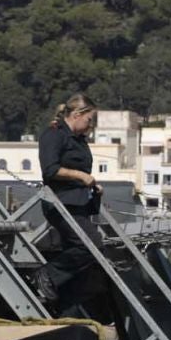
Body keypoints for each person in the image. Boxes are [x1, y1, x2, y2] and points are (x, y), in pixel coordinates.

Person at [35, 94, 117, 326]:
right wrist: (81, 176)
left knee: (86, 260)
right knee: (90, 246)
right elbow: (50, 170)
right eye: (89, 120)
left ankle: (65, 307)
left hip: (79, 204)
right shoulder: (54, 134)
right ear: (77, 114)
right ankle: (47, 275)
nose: (91, 125)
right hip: (60, 203)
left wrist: (92, 186)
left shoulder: (79, 140)